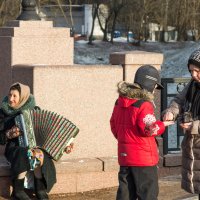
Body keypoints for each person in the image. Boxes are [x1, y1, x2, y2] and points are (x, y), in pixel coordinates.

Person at [0, 82, 74, 200]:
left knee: (39, 153)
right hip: (14, 148)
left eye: (14, 96)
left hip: (34, 146)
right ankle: (18, 190)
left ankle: (40, 189)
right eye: (10, 95)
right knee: (23, 152)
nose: (11, 99)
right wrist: (9, 134)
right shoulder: (3, 112)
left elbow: (51, 131)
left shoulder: (34, 110)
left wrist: (65, 145)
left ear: (23, 97)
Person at [110, 65, 174, 200]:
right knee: (148, 195)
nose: (156, 90)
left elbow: (114, 125)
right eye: (156, 86)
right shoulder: (144, 104)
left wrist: (124, 140)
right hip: (143, 160)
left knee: (125, 194)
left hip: (125, 157)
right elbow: (149, 129)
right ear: (149, 83)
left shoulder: (120, 101)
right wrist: (163, 124)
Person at [162, 49, 200, 195]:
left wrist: (194, 126)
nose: (193, 75)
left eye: (197, 71)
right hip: (194, 146)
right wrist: (171, 111)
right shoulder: (193, 84)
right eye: (191, 71)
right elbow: (179, 100)